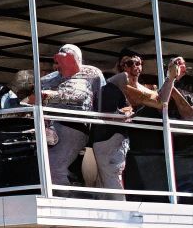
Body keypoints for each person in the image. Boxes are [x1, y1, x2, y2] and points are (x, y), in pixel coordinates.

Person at [39, 44, 105, 187]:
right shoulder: (47, 80)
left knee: (55, 167)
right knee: (46, 166)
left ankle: (66, 192)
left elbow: (101, 100)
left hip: (75, 125)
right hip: (49, 126)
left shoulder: (93, 73)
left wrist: (98, 131)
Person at [90, 49, 141, 199]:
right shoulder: (113, 84)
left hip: (114, 139)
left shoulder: (130, 88)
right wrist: (124, 114)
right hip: (108, 138)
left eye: (138, 63)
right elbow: (109, 113)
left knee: (106, 182)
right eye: (129, 63)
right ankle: (120, 208)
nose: (134, 66)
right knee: (112, 179)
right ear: (120, 66)